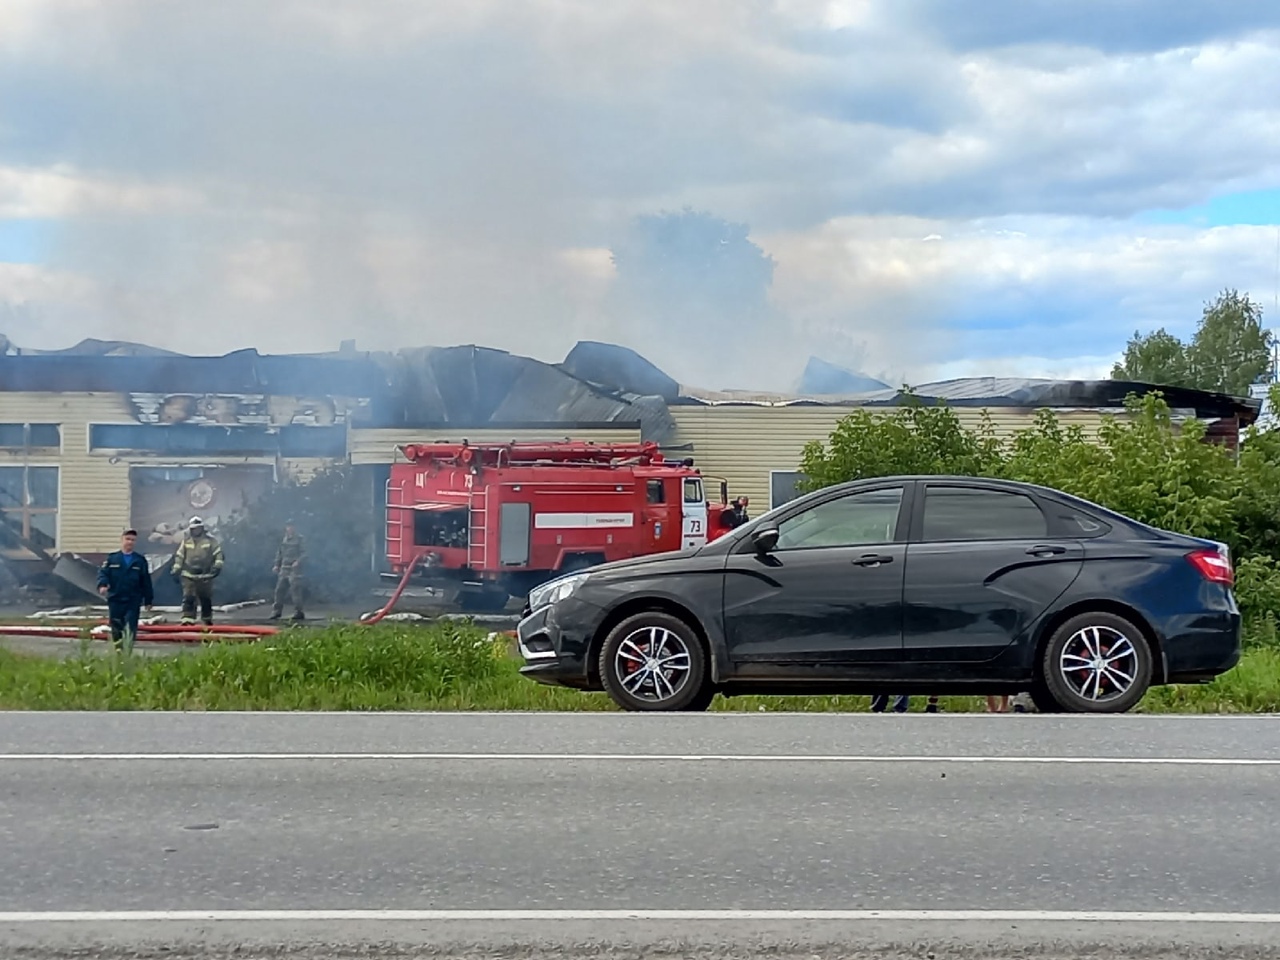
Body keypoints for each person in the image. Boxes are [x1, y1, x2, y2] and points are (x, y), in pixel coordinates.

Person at [96, 529, 155, 651]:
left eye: (133, 540)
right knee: (116, 626)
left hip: (133, 600)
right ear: (122, 540)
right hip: (116, 598)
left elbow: (146, 581)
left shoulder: (139, 560)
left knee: (130, 626)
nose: (130, 542)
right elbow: (103, 573)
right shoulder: (112, 559)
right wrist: (103, 584)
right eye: (128, 539)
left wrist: (148, 599)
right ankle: (118, 650)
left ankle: (127, 651)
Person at [170, 516, 224, 625]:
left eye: (198, 528)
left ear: (202, 528)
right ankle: (188, 619)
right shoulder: (186, 541)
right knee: (188, 597)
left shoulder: (210, 541)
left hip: (206, 574)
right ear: (190, 529)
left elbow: (218, 554)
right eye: (194, 528)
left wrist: (217, 566)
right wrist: (176, 569)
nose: (196, 530)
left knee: (205, 598)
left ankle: (207, 618)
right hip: (188, 574)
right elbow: (180, 556)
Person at [270, 519, 306, 621]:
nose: (289, 528)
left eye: (291, 526)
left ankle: (298, 612)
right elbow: (280, 553)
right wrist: (276, 565)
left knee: (295, 591)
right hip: (284, 568)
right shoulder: (284, 539)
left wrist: (298, 561)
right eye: (288, 526)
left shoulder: (300, 539)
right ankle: (277, 611)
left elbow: (305, 553)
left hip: (295, 569)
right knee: (279, 590)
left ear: (294, 527)